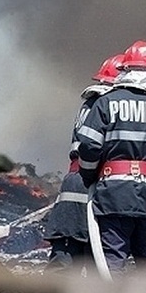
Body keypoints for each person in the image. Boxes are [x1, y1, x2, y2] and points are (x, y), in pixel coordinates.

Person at [75, 40, 146, 274]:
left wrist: (90, 175)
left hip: (114, 194)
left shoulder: (106, 103)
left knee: (111, 260)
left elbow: (88, 146)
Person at [43, 54, 123, 272]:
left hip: (85, 183)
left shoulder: (94, 103)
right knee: (70, 256)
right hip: (85, 182)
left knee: (80, 254)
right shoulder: (103, 105)